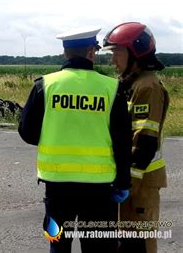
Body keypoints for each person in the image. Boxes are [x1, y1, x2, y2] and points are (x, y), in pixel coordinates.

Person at [18, 27, 132, 253]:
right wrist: (123, 182)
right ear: (92, 52)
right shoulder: (111, 88)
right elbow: (123, 142)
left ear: (64, 54)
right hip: (100, 190)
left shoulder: (45, 86)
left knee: (59, 246)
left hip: (57, 185)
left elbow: (27, 133)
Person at [102, 22, 169, 253]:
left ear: (136, 53)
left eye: (117, 52)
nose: (113, 60)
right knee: (129, 244)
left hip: (141, 181)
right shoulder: (132, 84)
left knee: (140, 244)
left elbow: (145, 142)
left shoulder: (147, 87)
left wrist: (128, 182)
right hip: (134, 181)